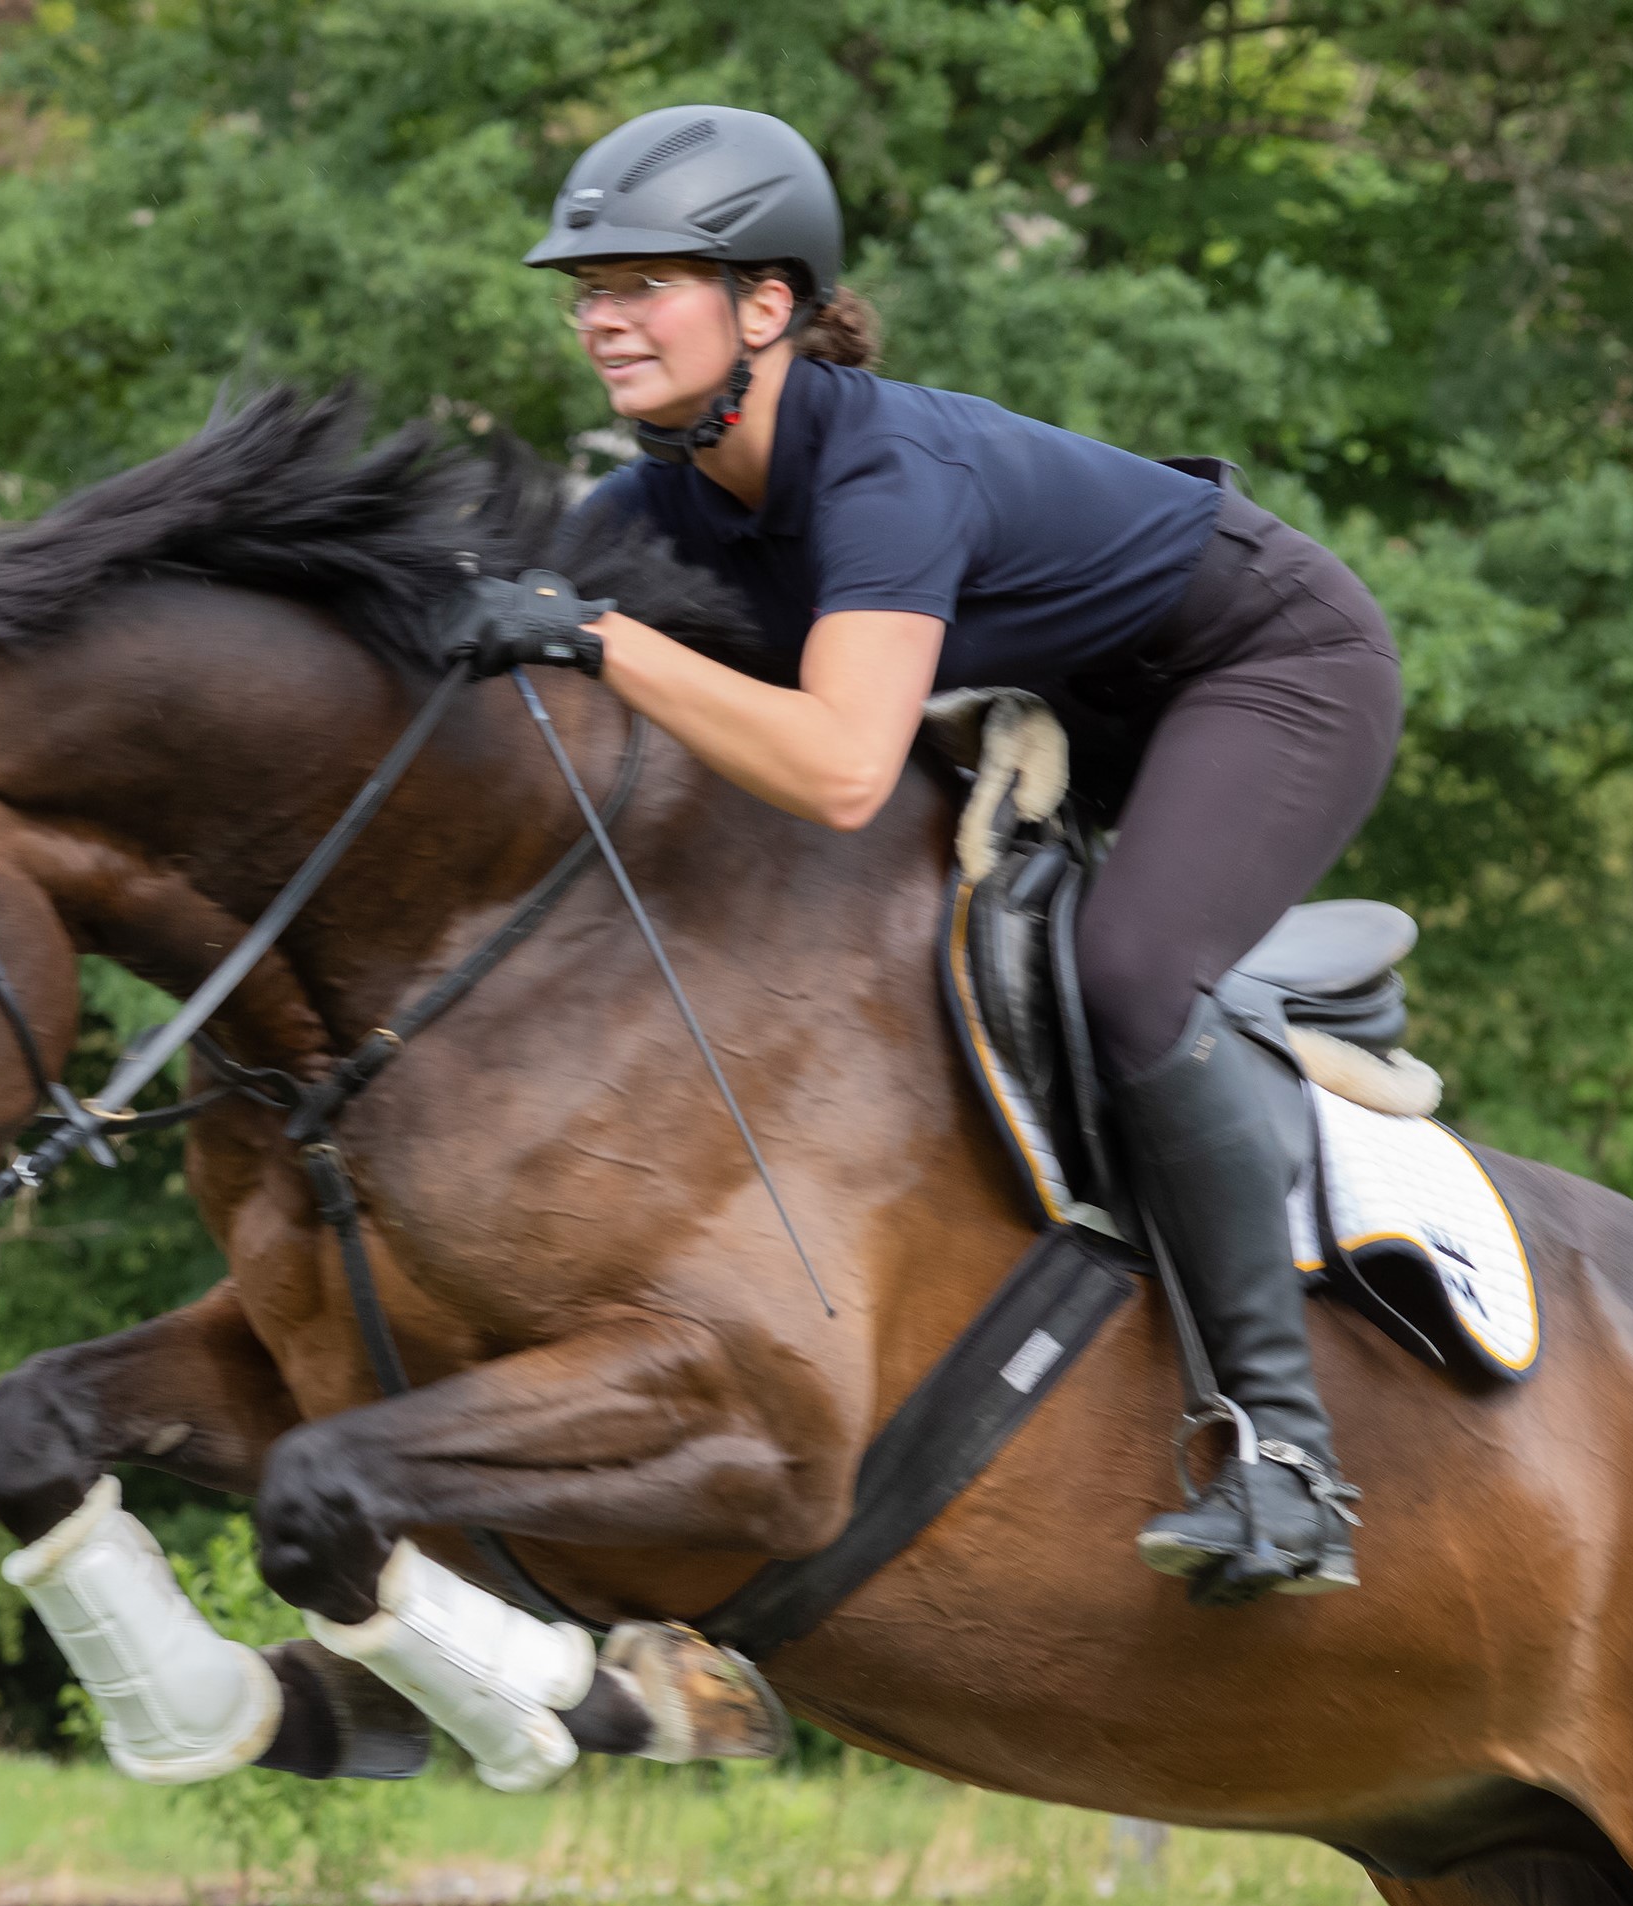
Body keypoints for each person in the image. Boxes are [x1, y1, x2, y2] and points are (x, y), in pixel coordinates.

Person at [531, 105, 1402, 1603]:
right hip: (1081, 698)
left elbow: (841, 763)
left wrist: (594, 635)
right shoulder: (658, 492)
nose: (603, 318)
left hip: (1269, 670)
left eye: (643, 283)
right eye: (587, 289)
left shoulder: (883, 474)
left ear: (769, 306)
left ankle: (1290, 1460)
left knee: (1130, 971)